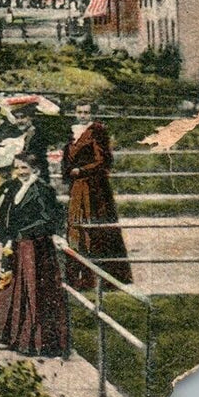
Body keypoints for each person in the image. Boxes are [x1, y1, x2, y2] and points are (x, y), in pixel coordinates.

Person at [0, 155, 68, 357]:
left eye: (24, 167)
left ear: (36, 170)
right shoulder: (14, 187)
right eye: (17, 167)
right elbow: (4, 214)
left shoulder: (42, 190)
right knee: (14, 287)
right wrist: (6, 234)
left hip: (36, 247)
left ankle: (35, 341)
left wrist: (21, 233)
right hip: (17, 244)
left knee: (33, 290)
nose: (20, 171)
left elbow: (48, 220)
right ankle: (12, 335)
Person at [62, 101, 132, 288]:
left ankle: (104, 279)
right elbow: (67, 157)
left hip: (94, 188)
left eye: (86, 112)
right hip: (77, 187)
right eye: (79, 111)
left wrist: (81, 170)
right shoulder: (72, 131)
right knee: (76, 229)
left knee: (96, 230)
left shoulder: (98, 131)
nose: (82, 115)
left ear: (92, 114)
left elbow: (103, 160)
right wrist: (68, 171)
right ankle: (79, 278)